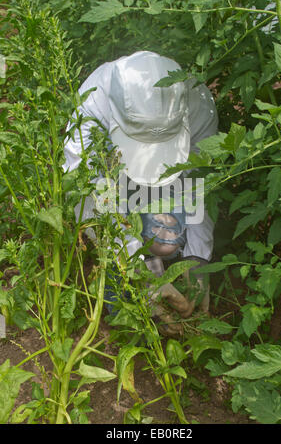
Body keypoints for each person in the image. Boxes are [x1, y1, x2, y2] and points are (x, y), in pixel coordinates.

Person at [63, 51, 218, 336]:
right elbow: (86, 196)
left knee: (167, 243)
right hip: (113, 183)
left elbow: (199, 184)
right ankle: (135, 302)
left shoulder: (198, 104)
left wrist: (198, 260)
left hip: (169, 185)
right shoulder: (92, 103)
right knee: (121, 285)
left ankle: (166, 273)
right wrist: (140, 274)